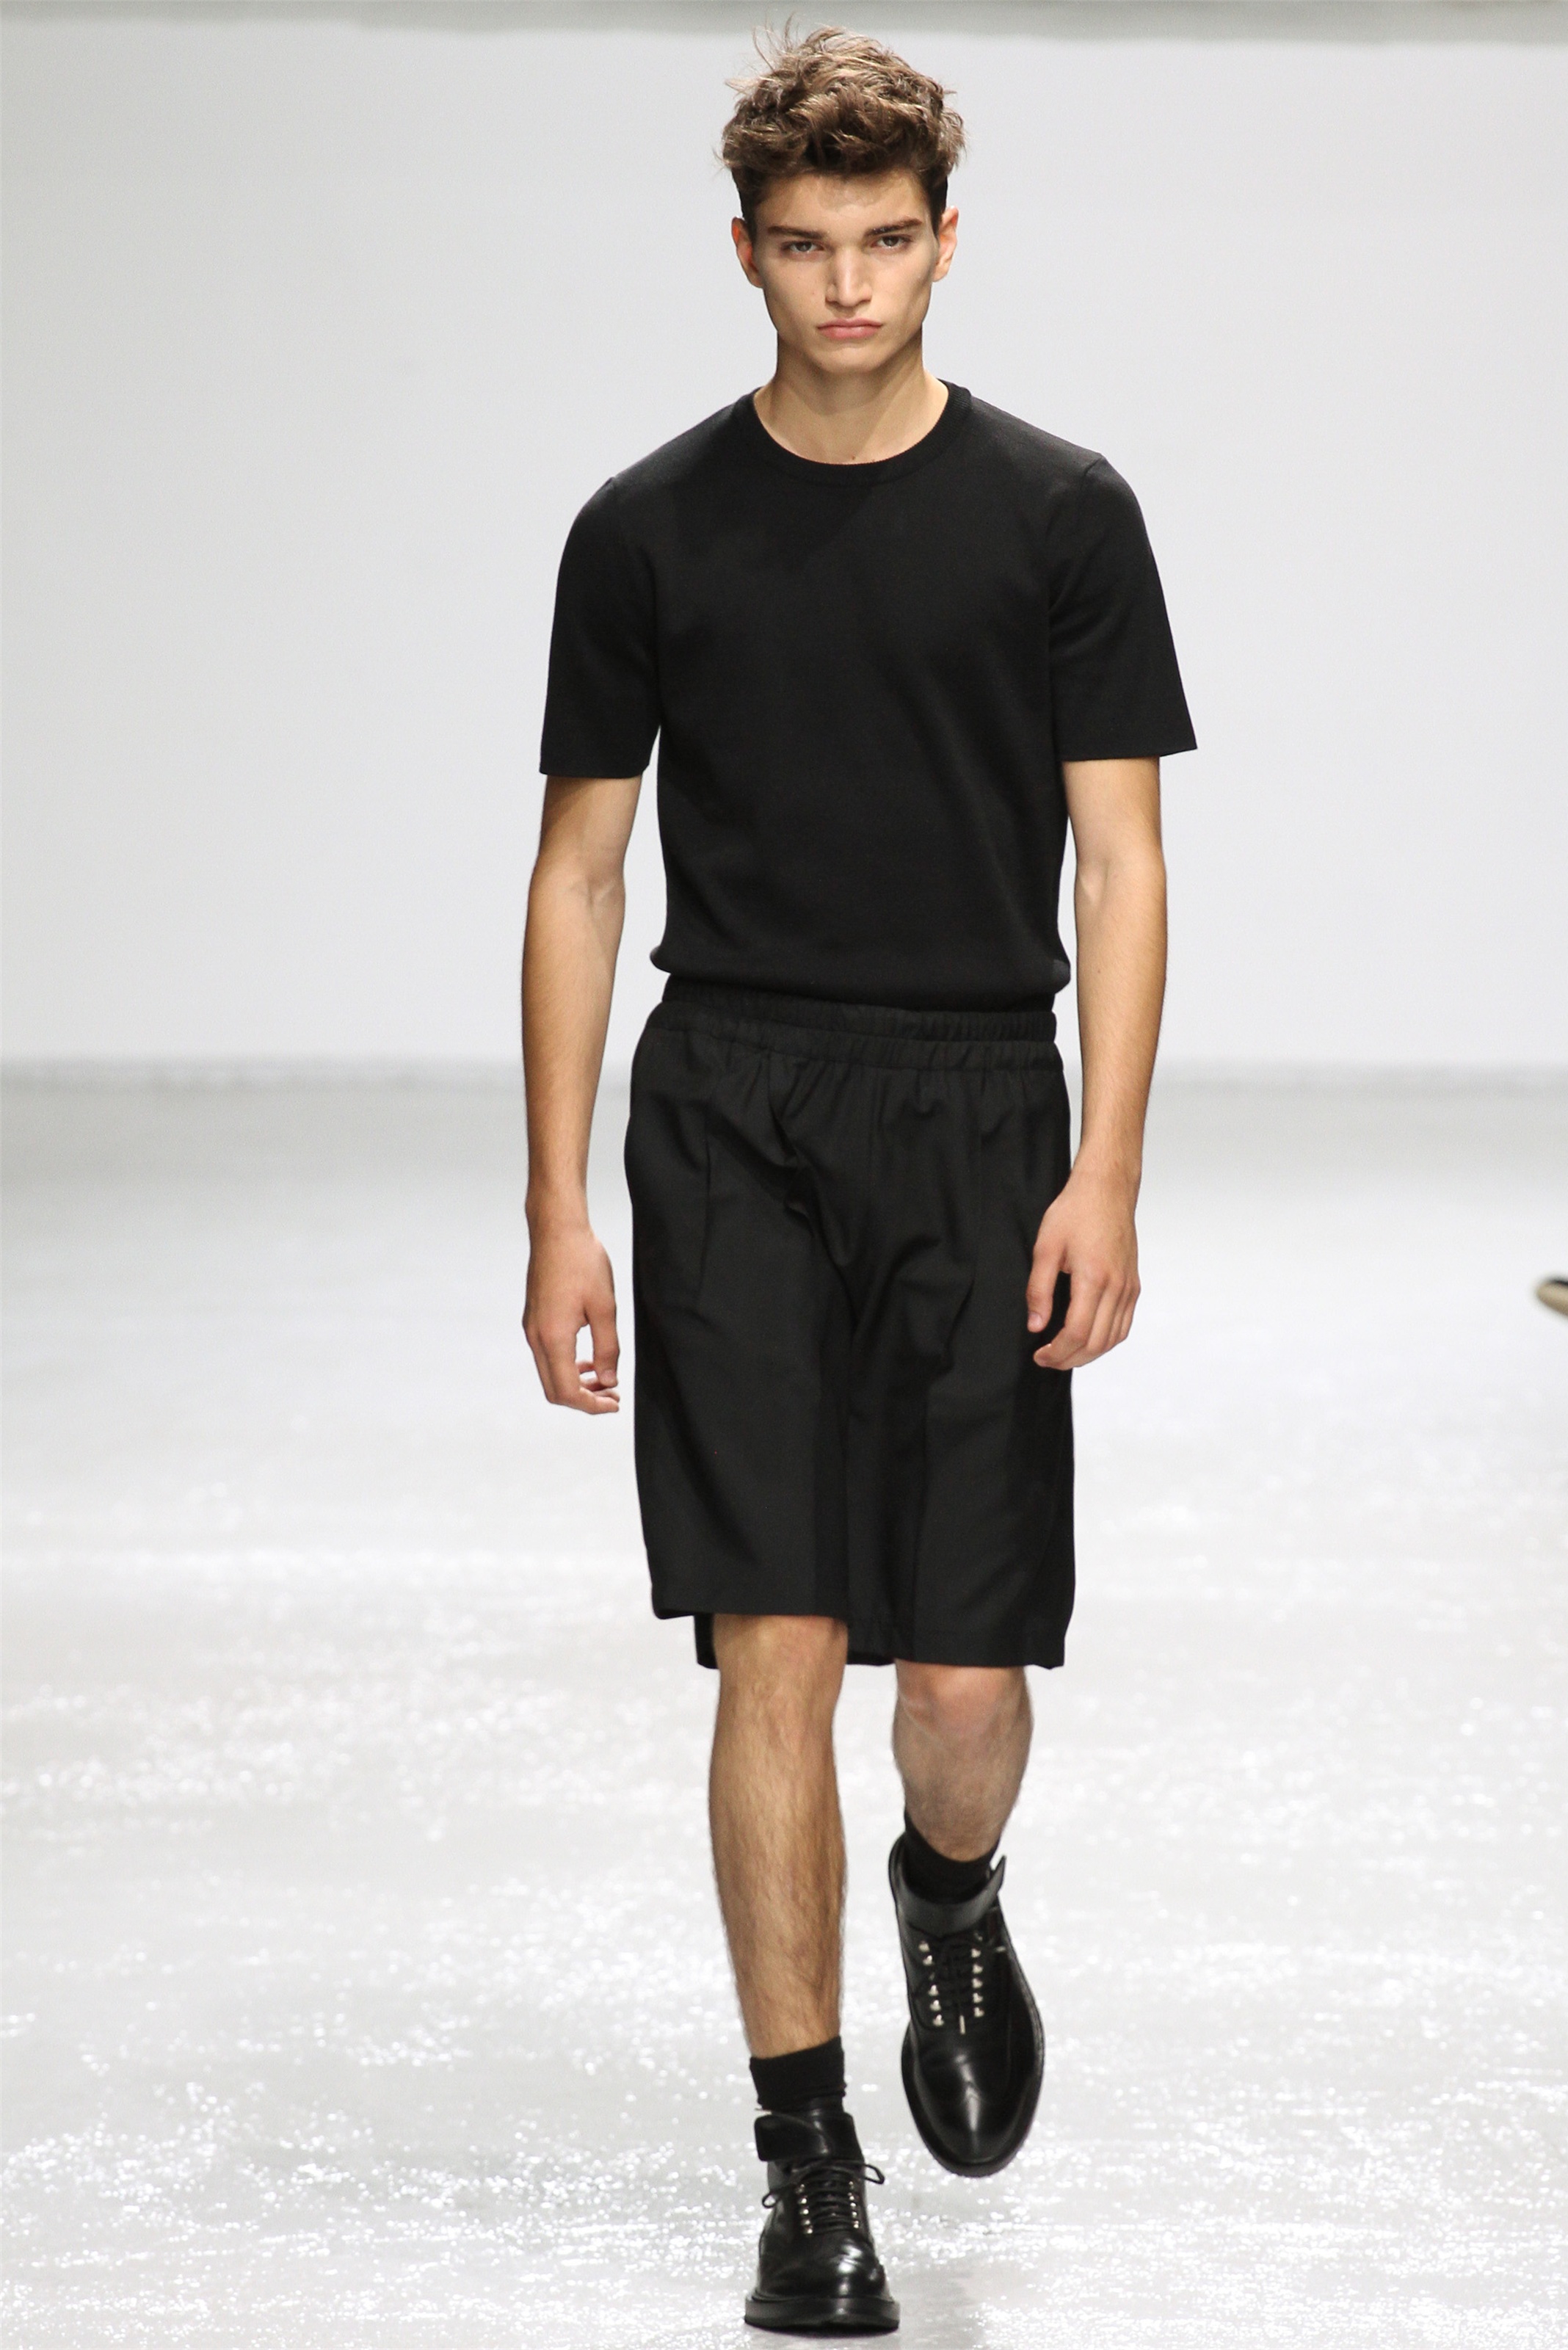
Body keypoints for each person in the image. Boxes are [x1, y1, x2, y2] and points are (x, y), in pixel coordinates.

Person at [522, 26, 1194, 2335]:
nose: (845, 285)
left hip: (980, 1106)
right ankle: (808, 2165)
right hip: (732, 1107)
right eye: (804, 245)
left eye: (884, 241)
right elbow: (579, 876)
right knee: (777, 1640)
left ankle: (951, 1891)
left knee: (962, 1687)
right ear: (745, 251)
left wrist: (1108, 1164)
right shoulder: (646, 529)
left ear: (943, 241)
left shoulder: (1061, 515)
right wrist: (559, 1205)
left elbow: (1121, 861)